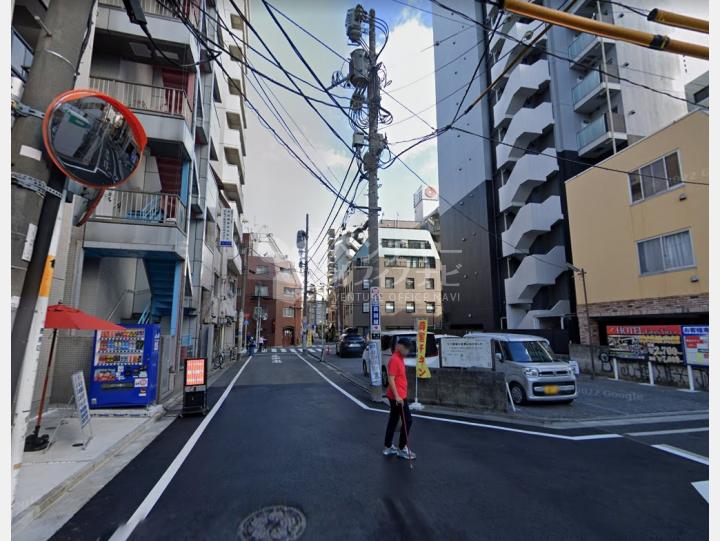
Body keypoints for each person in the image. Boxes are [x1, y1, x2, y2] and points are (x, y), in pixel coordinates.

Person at [383, 337, 416, 460]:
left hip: (399, 396)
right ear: (399, 346)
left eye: (409, 349)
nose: (408, 351)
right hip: (398, 398)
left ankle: (388, 446)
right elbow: (391, 379)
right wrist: (397, 396)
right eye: (406, 348)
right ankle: (402, 448)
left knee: (393, 420)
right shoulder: (395, 359)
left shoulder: (400, 358)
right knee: (408, 420)